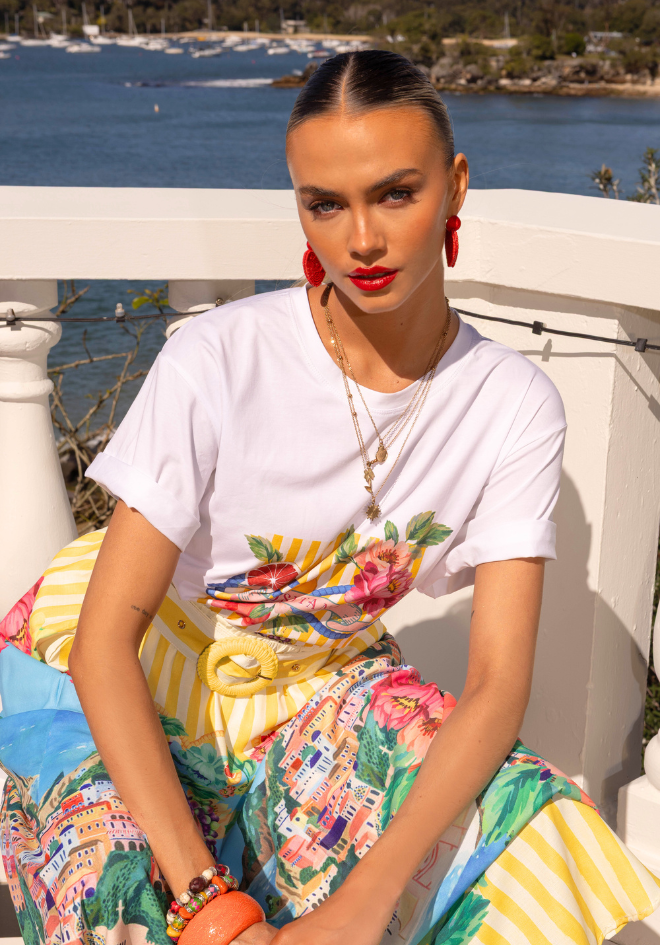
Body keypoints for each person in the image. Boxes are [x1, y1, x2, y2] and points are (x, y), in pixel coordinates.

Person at [0, 50, 658, 945]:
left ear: (456, 186)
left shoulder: (512, 404)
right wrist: (208, 903)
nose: (362, 240)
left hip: (320, 686)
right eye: (326, 204)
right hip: (133, 671)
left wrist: (364, 902)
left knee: (532, 825)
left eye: (396, 193)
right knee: (118, 887)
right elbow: (102, 643)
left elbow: (498, 687)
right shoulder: (219, 360)